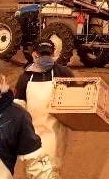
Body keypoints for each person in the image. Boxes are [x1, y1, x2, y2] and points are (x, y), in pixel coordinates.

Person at [14, 41, 75, 175]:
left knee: (51, 168)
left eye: (47, 54)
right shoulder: (26, 77)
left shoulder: (26, 77)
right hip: (32, 134)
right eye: (43, 54)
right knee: (35, 170)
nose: (44, 57)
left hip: (54, 132)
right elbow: (18, 108)